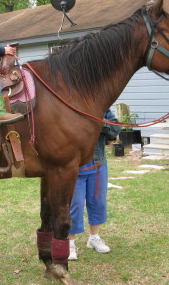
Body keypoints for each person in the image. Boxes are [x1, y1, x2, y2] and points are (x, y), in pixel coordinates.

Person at [68, 108, 121, 261]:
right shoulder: (71, 106)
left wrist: (99, 123)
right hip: (74, 167)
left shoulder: (103, 107)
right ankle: (70, 242)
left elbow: (115, 129)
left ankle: (94, 238)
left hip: (98, 165)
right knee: (75, 205)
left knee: (98, 203)